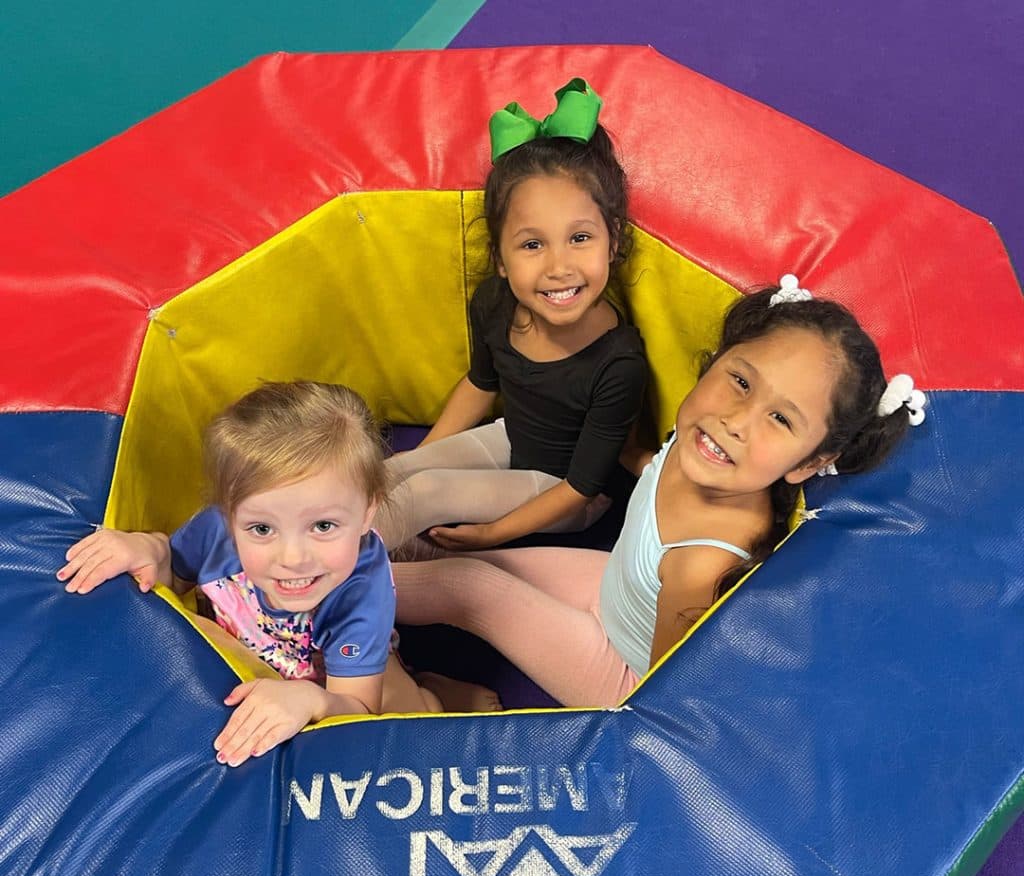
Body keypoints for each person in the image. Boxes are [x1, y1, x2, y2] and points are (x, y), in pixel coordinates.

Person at [388, 276, 927, 710]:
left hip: (622, 671)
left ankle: (355, 619)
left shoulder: (701, 564)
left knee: (471, 587)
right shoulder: (700, 443)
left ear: (808, 463)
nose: (736, 420)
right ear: (715, 362)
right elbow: (650, 465)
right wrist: (621, 447)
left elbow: (665, 699)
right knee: (443, 554)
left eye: (780, 419)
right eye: (741, 381)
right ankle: (382, 626)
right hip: (614, 585)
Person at [58, 380, 441, 766]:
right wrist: (149, 549)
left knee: (409, 718)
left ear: (368, 513)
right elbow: (173, 573)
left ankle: (433, 690)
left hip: (343, 673)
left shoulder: (360, 594)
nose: (292, 557)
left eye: (323, 526)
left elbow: (358, 708)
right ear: (230, 516)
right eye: (262, 529)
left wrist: (312, 700)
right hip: (265, 656)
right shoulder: (217, 531)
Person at [374, 77, 647, 557]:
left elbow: (581, 488)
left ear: (614, 241)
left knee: (423, 493)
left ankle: (319, 583)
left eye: (580, 238)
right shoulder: (494, 303)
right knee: (389, 474)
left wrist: (491, 534)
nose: (559, 266)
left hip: (565, 494)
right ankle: (273, 549)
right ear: (500, 258)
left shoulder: (620, 363)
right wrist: (423, 457)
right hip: (510, 439)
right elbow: (480, 384)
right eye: (532, 244)